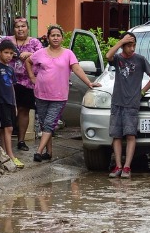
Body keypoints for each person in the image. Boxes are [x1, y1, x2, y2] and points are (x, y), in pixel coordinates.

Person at [28, 25, 100, 163]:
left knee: (49, 123)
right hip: (41, 94)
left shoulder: (68, 54)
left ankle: (38, 151)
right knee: (44, 124)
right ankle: (49, 152)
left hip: (59, 96)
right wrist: (32, 77)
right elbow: (28, 61)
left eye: (58, 35)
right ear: (48, 38)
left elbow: (77, 69)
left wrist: (89, 83)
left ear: (62, 38)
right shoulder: (41, 53)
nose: (55, 38)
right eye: (53, 35)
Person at [105, 31, 150, 178]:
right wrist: (121, 42)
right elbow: (108, 56)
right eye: (129, 45)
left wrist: (141, 92)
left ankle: (127, 167)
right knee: (116, 136)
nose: (132, 48)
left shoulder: (140, 59)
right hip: (117, 102)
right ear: (123, 46)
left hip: (131, 104)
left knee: (130, 135)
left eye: (134, 45)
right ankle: (118, 166)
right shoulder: (117, 58)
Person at [7, 17, 42, 151]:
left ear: (28, 28)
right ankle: (5, 141)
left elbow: (42, 57)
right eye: (17, 27)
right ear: (13, 29)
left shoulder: (35, 42)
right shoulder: (7, 41)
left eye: (23, 26)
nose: (20, 29)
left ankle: (21, 141)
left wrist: (30, 54)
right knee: (8, 110)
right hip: (8, 81)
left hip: (27, 82)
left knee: (24, 110)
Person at [0, 39, 22, 168]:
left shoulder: (10, 69)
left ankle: (3, 153)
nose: (9, 56)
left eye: (11, 53)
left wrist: (15, 104)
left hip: (9, 102)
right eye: (6, 52)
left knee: (5, 129)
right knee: (6, 128)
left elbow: (12, 88)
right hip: (0, 101)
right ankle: (10, 155)